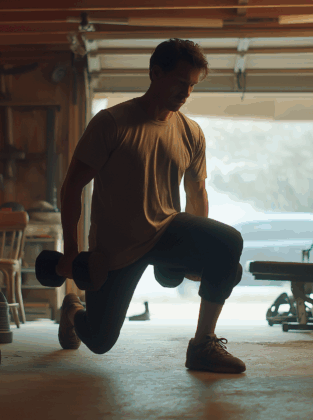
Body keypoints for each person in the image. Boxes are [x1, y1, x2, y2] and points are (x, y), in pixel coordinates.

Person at [56, 38, 246, 374]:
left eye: (191, 86)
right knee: (100, 341)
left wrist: (199, 255)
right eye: (179, 82)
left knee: (227, 246)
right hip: (117, 246)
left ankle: (203, 344)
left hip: (166, 232)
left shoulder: (190, 132)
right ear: (155, 73)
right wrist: (71, 252)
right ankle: (72, 309)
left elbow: (196, 192)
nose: (186, 93)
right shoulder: (111, 123)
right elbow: (73, 186)